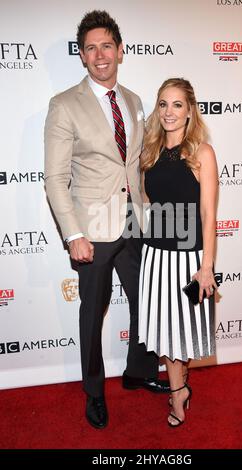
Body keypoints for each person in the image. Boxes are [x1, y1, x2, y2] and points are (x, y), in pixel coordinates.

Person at [44, 10, 169, 430]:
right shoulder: (64, 105)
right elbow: (55, 179)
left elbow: (136, 166)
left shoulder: (134, 101)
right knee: (91, 314)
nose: (100, 55)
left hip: (136, 224)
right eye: (90, 48)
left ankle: (138, 370)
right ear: (81, 56)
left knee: (147, 304)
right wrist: (73, 234)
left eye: (107, 46)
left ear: (120, 50)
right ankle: (94, 392)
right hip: (92, 232)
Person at [139, 78, 218, 427]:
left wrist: (206, 267)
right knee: (165, 334)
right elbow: (146, 201)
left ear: (189, 111)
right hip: (155, 256)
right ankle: (178, 390)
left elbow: (208, 215)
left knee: (180, 333)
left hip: (188, 258)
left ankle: (178, 391)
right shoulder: (150, 151)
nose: (169, 112)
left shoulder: (202, 153)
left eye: (177, 105)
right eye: (163, 104)